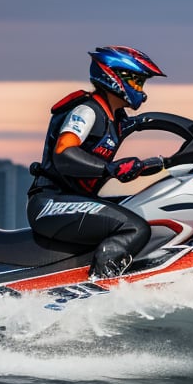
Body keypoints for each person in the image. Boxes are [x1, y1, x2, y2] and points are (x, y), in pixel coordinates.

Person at [27, 45, 167, 279]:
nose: (141, 92)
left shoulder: (115, 119)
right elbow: (64, 152)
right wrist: (110, 168)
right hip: (49, 203)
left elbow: (163, 122)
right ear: (115, 78)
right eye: (137, 83)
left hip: (75, 201)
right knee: (134, 228)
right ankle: (101, 289)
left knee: (148, 207)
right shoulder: (87, 111)